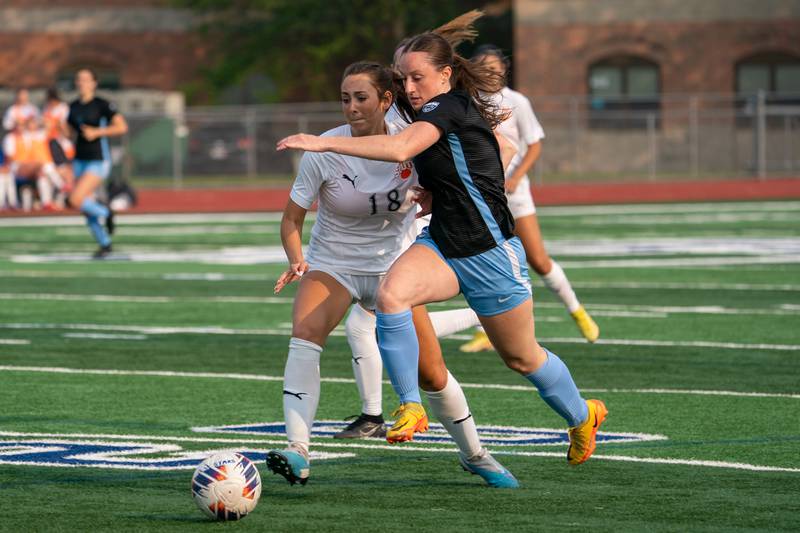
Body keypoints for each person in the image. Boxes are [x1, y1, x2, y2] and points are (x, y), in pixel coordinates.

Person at [277, 23, 607, 469]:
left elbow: (465, 149)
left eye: (418, 77)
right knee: (393, 296)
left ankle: (583, 414)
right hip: (441, 243)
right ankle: (410, 407)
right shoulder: (419, 111)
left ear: (446, 75)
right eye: (403, 78)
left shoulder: (449, 106)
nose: (409, 87)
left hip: (489, 249)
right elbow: (447, 151)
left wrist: (319, 142)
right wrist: (441, 189)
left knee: (521, 357)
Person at [266, 61, 518, 489]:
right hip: (335, 264)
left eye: (361, 97)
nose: (351, 107)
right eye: (345, 99)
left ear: (386, 100)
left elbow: (500, 149)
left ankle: (475, 453)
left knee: (432, 374)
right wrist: (297, 260)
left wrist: (439, 196)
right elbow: (291, 220)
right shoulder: (324, 148)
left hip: (395, 269)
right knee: (304, 338)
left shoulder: (415, 139)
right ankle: (299, 451)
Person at [459, 45, 599, 352]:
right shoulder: (466, 101)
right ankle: (486, 330)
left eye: (496, 69)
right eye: (484, 69)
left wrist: (517, 175)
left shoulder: (517, 101)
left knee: (537, 258)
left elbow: (534, 144)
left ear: (505, 70)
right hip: (482, 195)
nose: (491, 75)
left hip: (514, 192)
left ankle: (576, 309)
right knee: (482, 260)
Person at [65, 68, 128, 258]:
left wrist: (97, 132)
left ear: (94, 83)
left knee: (74, 200)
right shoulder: (73, 106)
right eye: (79, 79)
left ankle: (107, 212)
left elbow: (121, 127)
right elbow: (69, 132)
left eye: (86, 79)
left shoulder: (102, 105)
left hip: (98, 159)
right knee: (85, 207)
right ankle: (105, 244)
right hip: (79, 159)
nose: (81, 83)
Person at [42, 87, 75, 195]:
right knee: (54, 170)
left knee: (66, 169)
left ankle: (69, 192)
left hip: (61, 143)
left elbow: (66, 130)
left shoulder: (63, 108)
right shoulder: (47, 109)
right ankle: (62, 192)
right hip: (49, 143)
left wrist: (57, 125)